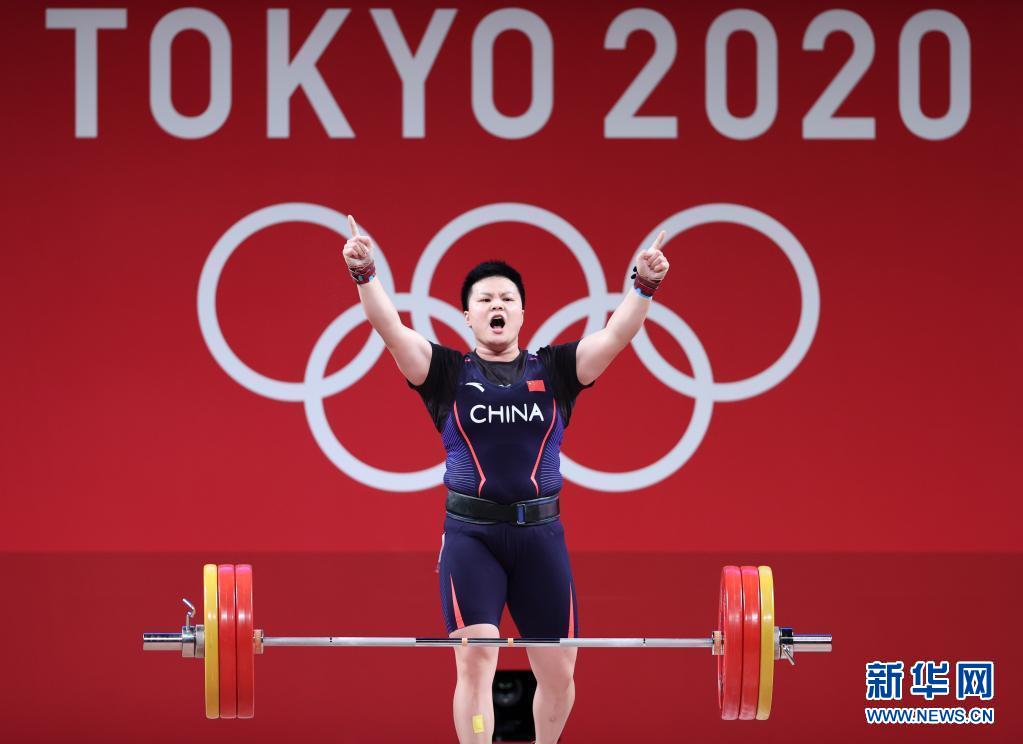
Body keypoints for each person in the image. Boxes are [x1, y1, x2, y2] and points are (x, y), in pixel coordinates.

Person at [342, 215, 668, 744]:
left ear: (521, 313)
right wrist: (365, 273)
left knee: (560, 675)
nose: (497, 306)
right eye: (486, 299)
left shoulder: (557, 369)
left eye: (507, 298)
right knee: (476, 661)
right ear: (467, 315)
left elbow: (616, 334)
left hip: (542, 540)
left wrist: (644, 285)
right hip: (472, 539)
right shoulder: (444, 373)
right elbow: (390, 328)